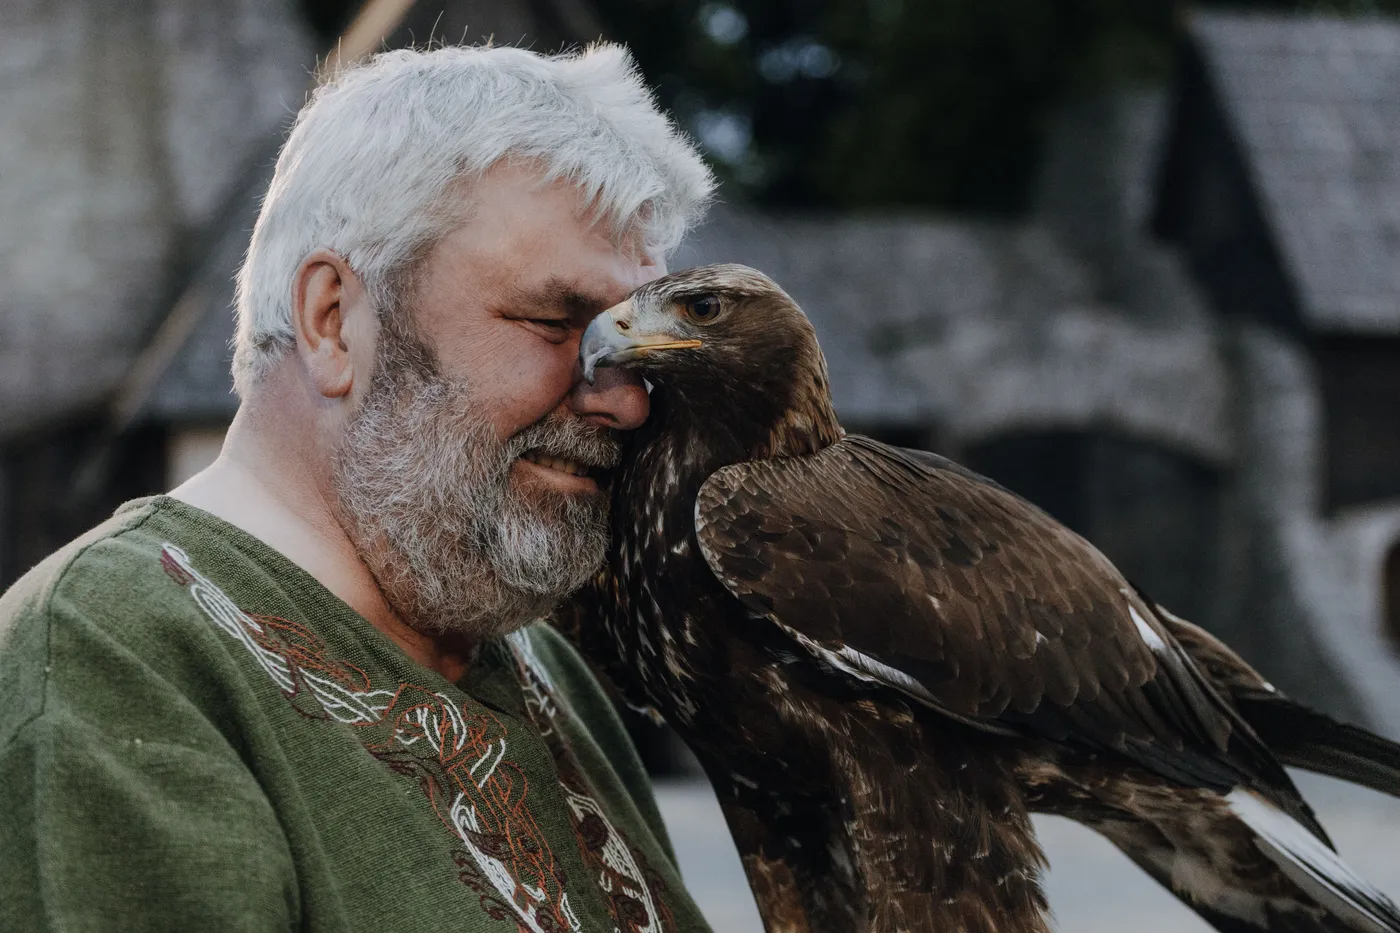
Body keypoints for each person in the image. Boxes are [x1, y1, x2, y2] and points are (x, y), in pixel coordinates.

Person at [0, 43, 716, 932]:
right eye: (554, 321)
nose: (626, 400)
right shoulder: (109, 661)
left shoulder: (549, 669)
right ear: (333, 320)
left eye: (634, 349)